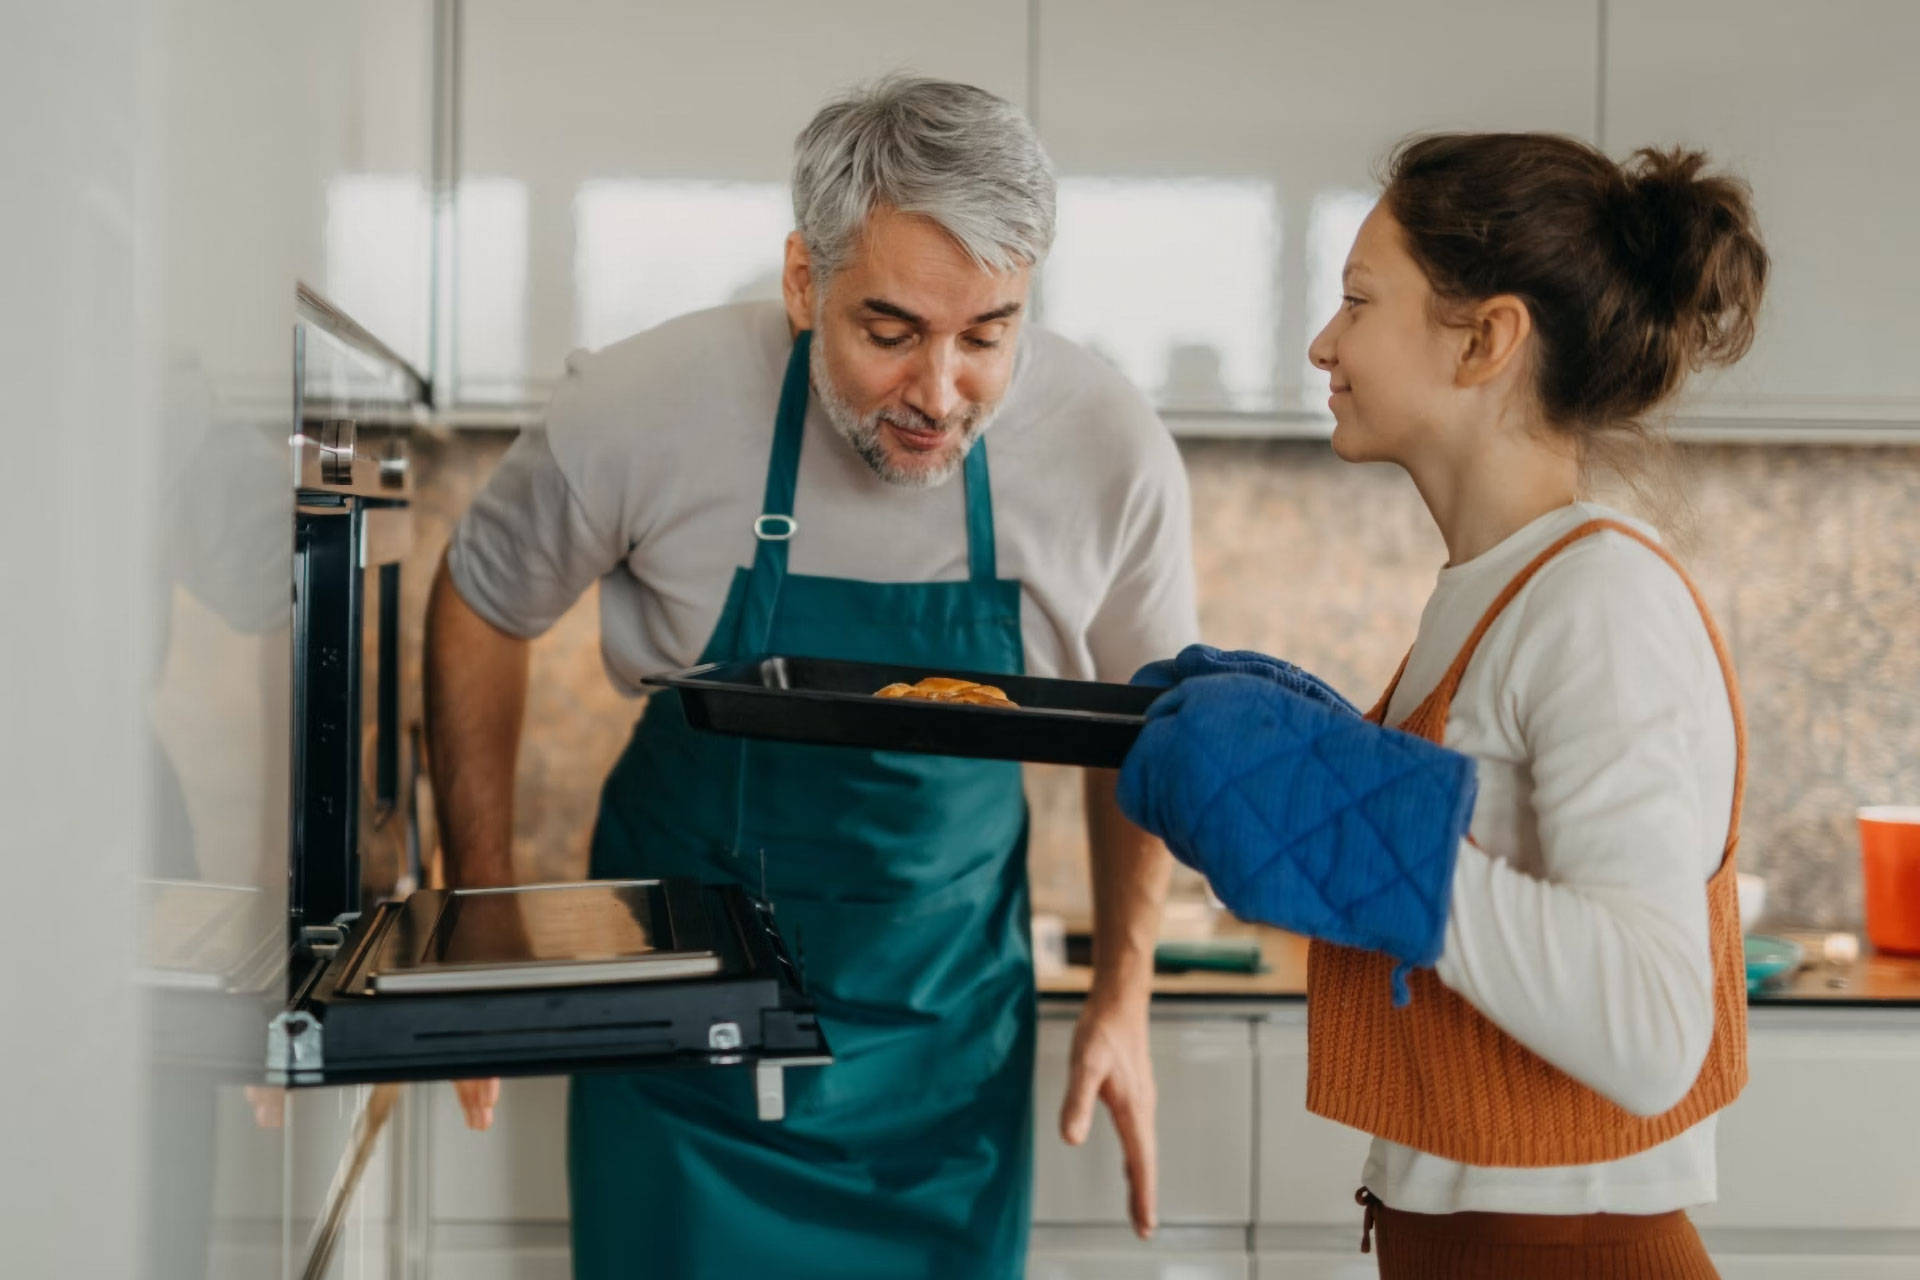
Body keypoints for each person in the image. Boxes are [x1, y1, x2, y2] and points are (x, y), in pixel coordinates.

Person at [424, 75, 1197, 1278]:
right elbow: (481, 601)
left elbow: (1149, 728)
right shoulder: (640, 407)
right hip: (678, 1048)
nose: (941, 395)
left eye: (988, 334)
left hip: (944, 1064)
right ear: (804, 281)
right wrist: (481, 904)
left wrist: (1123, 995)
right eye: (890, 332)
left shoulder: (1108, 446)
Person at [1118, 132, 1767, 1277]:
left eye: (1359, 301)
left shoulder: (1601, 599)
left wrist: (1365, 821)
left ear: (1485, 339)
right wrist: (1337, 768)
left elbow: (1656, 1025)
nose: (1324, 342)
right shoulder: (1498, 588)